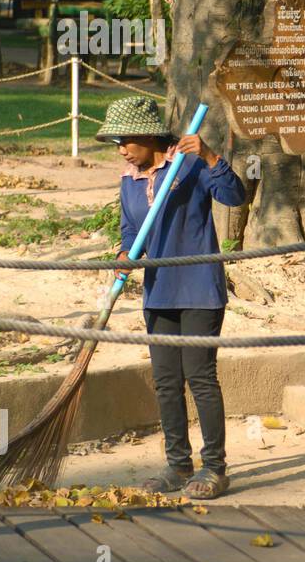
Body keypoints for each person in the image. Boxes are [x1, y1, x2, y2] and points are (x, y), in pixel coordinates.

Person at [96, 96, 247, 499]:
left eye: (127, 139)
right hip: (158, 291)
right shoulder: (128, 179)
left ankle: (214, 467)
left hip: (199, 289)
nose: (122, 149)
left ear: (150, 137)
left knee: (200, 379)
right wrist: (125, 255)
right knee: (165, 382)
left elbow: (235, 197)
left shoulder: (190, 165)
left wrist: (212, 157)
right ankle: (177, 464)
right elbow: (132, 229)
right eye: (117, 142)